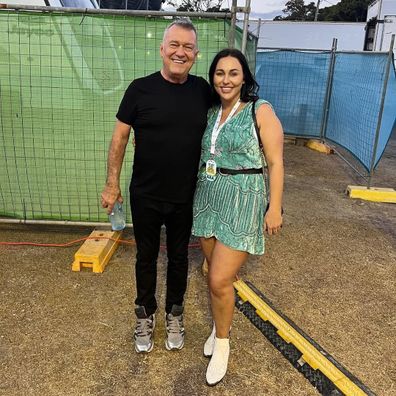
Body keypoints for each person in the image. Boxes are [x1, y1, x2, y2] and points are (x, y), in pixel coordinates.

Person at [101, 18, 211, 354]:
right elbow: (120, 138)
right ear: (161, 49)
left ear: (196, 54)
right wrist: (111, 184)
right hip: (145, 193)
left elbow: (229, 116)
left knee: (179, 258)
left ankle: (175, 313)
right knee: (146, 258)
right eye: (174, 45)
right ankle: (144, 314)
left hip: (184, 193)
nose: (180, 52)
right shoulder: (139, 89)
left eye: (188, 47)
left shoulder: (203, 91)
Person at [192, 48, 284, 385]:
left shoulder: (260, 109)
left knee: (220, 279)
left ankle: (223, 344)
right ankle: (218, 327)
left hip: (243, 199)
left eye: (233, 73)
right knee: (209, 272)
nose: (225, 79)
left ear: (244, 77)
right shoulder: (212, 111)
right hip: (209, 195)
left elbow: (275, 162)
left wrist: (274, 207)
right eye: (219, 73)